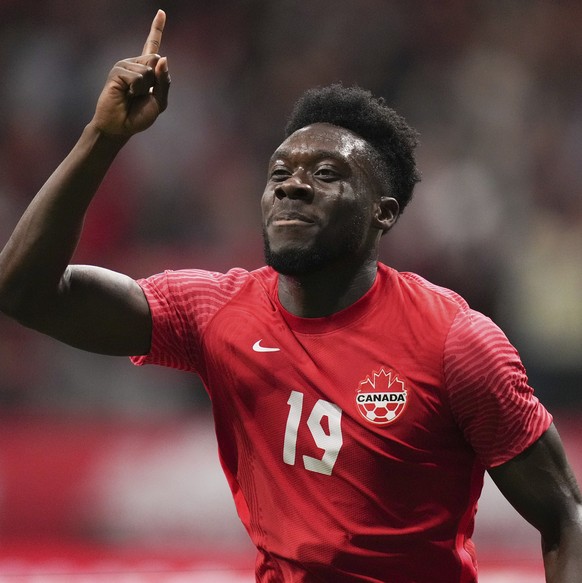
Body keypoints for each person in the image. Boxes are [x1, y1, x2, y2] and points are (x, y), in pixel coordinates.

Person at [0, 10, 581, 583]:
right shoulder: (214, 313)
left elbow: (565, 517)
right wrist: (103, 137)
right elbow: (25, 292)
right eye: (279, 173)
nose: (293, 185)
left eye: (327, 174)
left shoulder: (457, 344)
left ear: (385, 214)